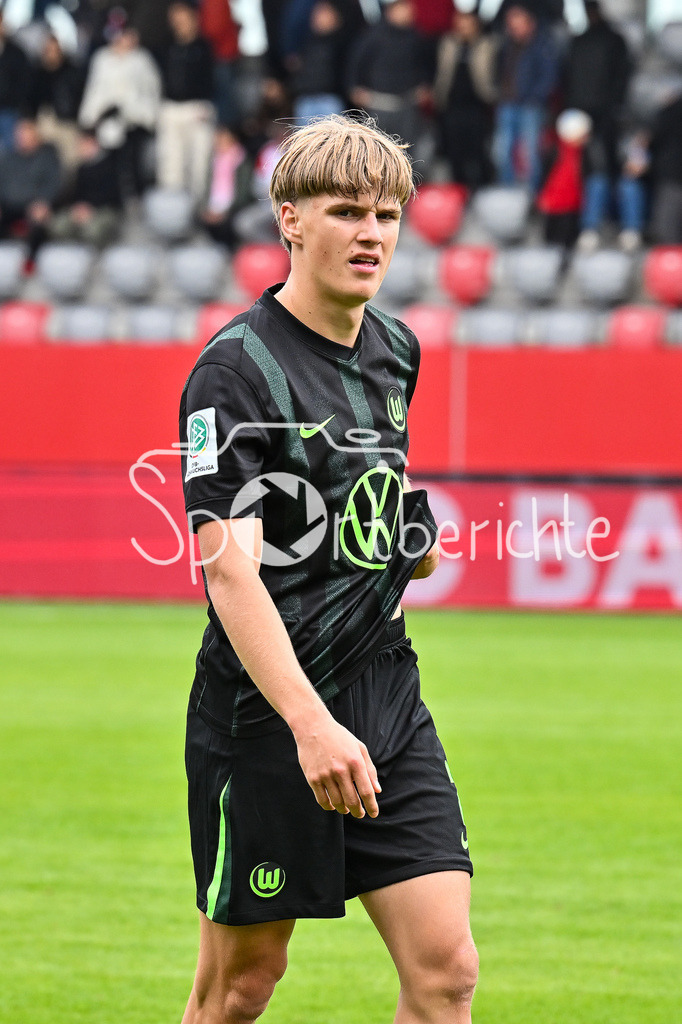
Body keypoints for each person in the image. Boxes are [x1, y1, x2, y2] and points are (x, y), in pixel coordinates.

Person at [179, 114, 477, 1024]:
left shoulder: (396, 348)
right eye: (347, 210)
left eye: (387, 214)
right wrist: (309, 726)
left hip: (385, 693)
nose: (373, 233)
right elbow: (229, 575)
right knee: (240, 987)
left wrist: (403, 538)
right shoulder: (233, 374)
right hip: (270, 716)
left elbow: (371, 494)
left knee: (447, 972)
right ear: (289, 219)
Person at [78, 8, 161, 197]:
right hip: (104, 124)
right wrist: (88, 120)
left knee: (135, 170)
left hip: (136, 125)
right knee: (106, 170)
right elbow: (93, 90)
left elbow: (152, 93)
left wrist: (145, 116)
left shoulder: (142, 60)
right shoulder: (101, 59)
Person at [492, 2, 559, 191]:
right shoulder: (505, 46)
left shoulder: (542, 46)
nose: (512, 25)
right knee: (502, 152)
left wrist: (534, 98)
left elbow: (549, 78)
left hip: (531, 107)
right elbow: (498, 72)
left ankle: (531, 196)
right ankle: (508, 193)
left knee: (530, 155)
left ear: (530, 23)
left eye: (517, 20)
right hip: (507, 104)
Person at [157, 0, 215, 200]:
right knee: (171, 164)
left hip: (198, 108)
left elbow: (212, 82)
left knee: (199, 164)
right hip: (170, 109)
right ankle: (173, 213)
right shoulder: (166, 47)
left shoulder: (204, 47)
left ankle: (198, 209)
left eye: (182, 15)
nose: (178, 21)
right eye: (174, 16)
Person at [433, 9, 498, 189]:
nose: (463, 27)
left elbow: (493, 74)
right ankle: (459, 189)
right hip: (452, 105)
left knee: (478, 151)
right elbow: (440, 73)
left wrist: (493, 94)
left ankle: (482, 188)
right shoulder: (448, 43)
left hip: (477, 106)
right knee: (455, 151)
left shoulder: (487, 45)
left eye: (467, 23)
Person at [0, 117, 61, 260]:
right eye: (18, 134)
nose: (21, 138)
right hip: (9, 207)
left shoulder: (48, 158)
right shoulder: (8, 158)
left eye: (25, 134)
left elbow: (54, 184)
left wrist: (44, 202)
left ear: (35, 136)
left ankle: (30, 263)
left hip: (35, 207)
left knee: (40, 222)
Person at [49, 129, 122, 247]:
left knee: (93, 230)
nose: (80, 148)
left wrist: (90, 209)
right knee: (58, 225)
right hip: (81, 210)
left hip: (104, 210)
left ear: (93, 143)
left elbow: (112, 196)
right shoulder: (81, 168)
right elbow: (74, 194)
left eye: (82, 144)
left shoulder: (111, 166)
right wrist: (76, 208)